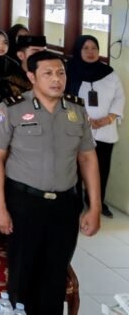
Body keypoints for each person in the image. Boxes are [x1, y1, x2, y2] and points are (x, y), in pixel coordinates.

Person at [0, 51, 101, 315]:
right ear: (31, 77)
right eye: (48, 74)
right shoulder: (12, 108)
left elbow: (88, 159)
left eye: (61, 73)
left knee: (55, 273)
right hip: (24, 203)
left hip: (65, 204)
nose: (56, 79)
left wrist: (94, 207)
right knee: (23, 273)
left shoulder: (76, 110)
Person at [67, 35, 124, 218]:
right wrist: (83, 118)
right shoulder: (69, 71)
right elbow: (64, 99)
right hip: (78, 128)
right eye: (85, 48)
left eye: (94, 48)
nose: (90, 52)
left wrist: (110, 118)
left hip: (105, 129)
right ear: (78, 50)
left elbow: (119, 97)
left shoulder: (109, 73)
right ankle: (74, 201)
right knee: (75, 168)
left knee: (101, 168)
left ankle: (96, 201)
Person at [0, 34, 47, 102]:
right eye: (36, 53)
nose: (42, 57)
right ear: (21, 55)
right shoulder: (7, 83)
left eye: (44, 52)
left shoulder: (50, 78)